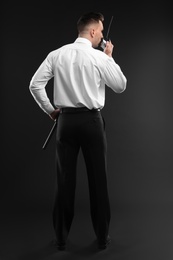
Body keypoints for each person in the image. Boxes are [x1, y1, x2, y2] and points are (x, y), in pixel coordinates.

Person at [29, 11, 127, 251]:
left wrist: (51, 111)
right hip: (92, 122)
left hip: (65, 123)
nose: (103, 36)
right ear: (93, 31)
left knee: (64, 182)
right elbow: (120, 85)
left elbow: (35, 84)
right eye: (101, 31)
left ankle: (60, 239)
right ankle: (103, 238)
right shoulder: (99, 57)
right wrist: (109, 57)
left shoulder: (57, 54)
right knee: (98, 181)